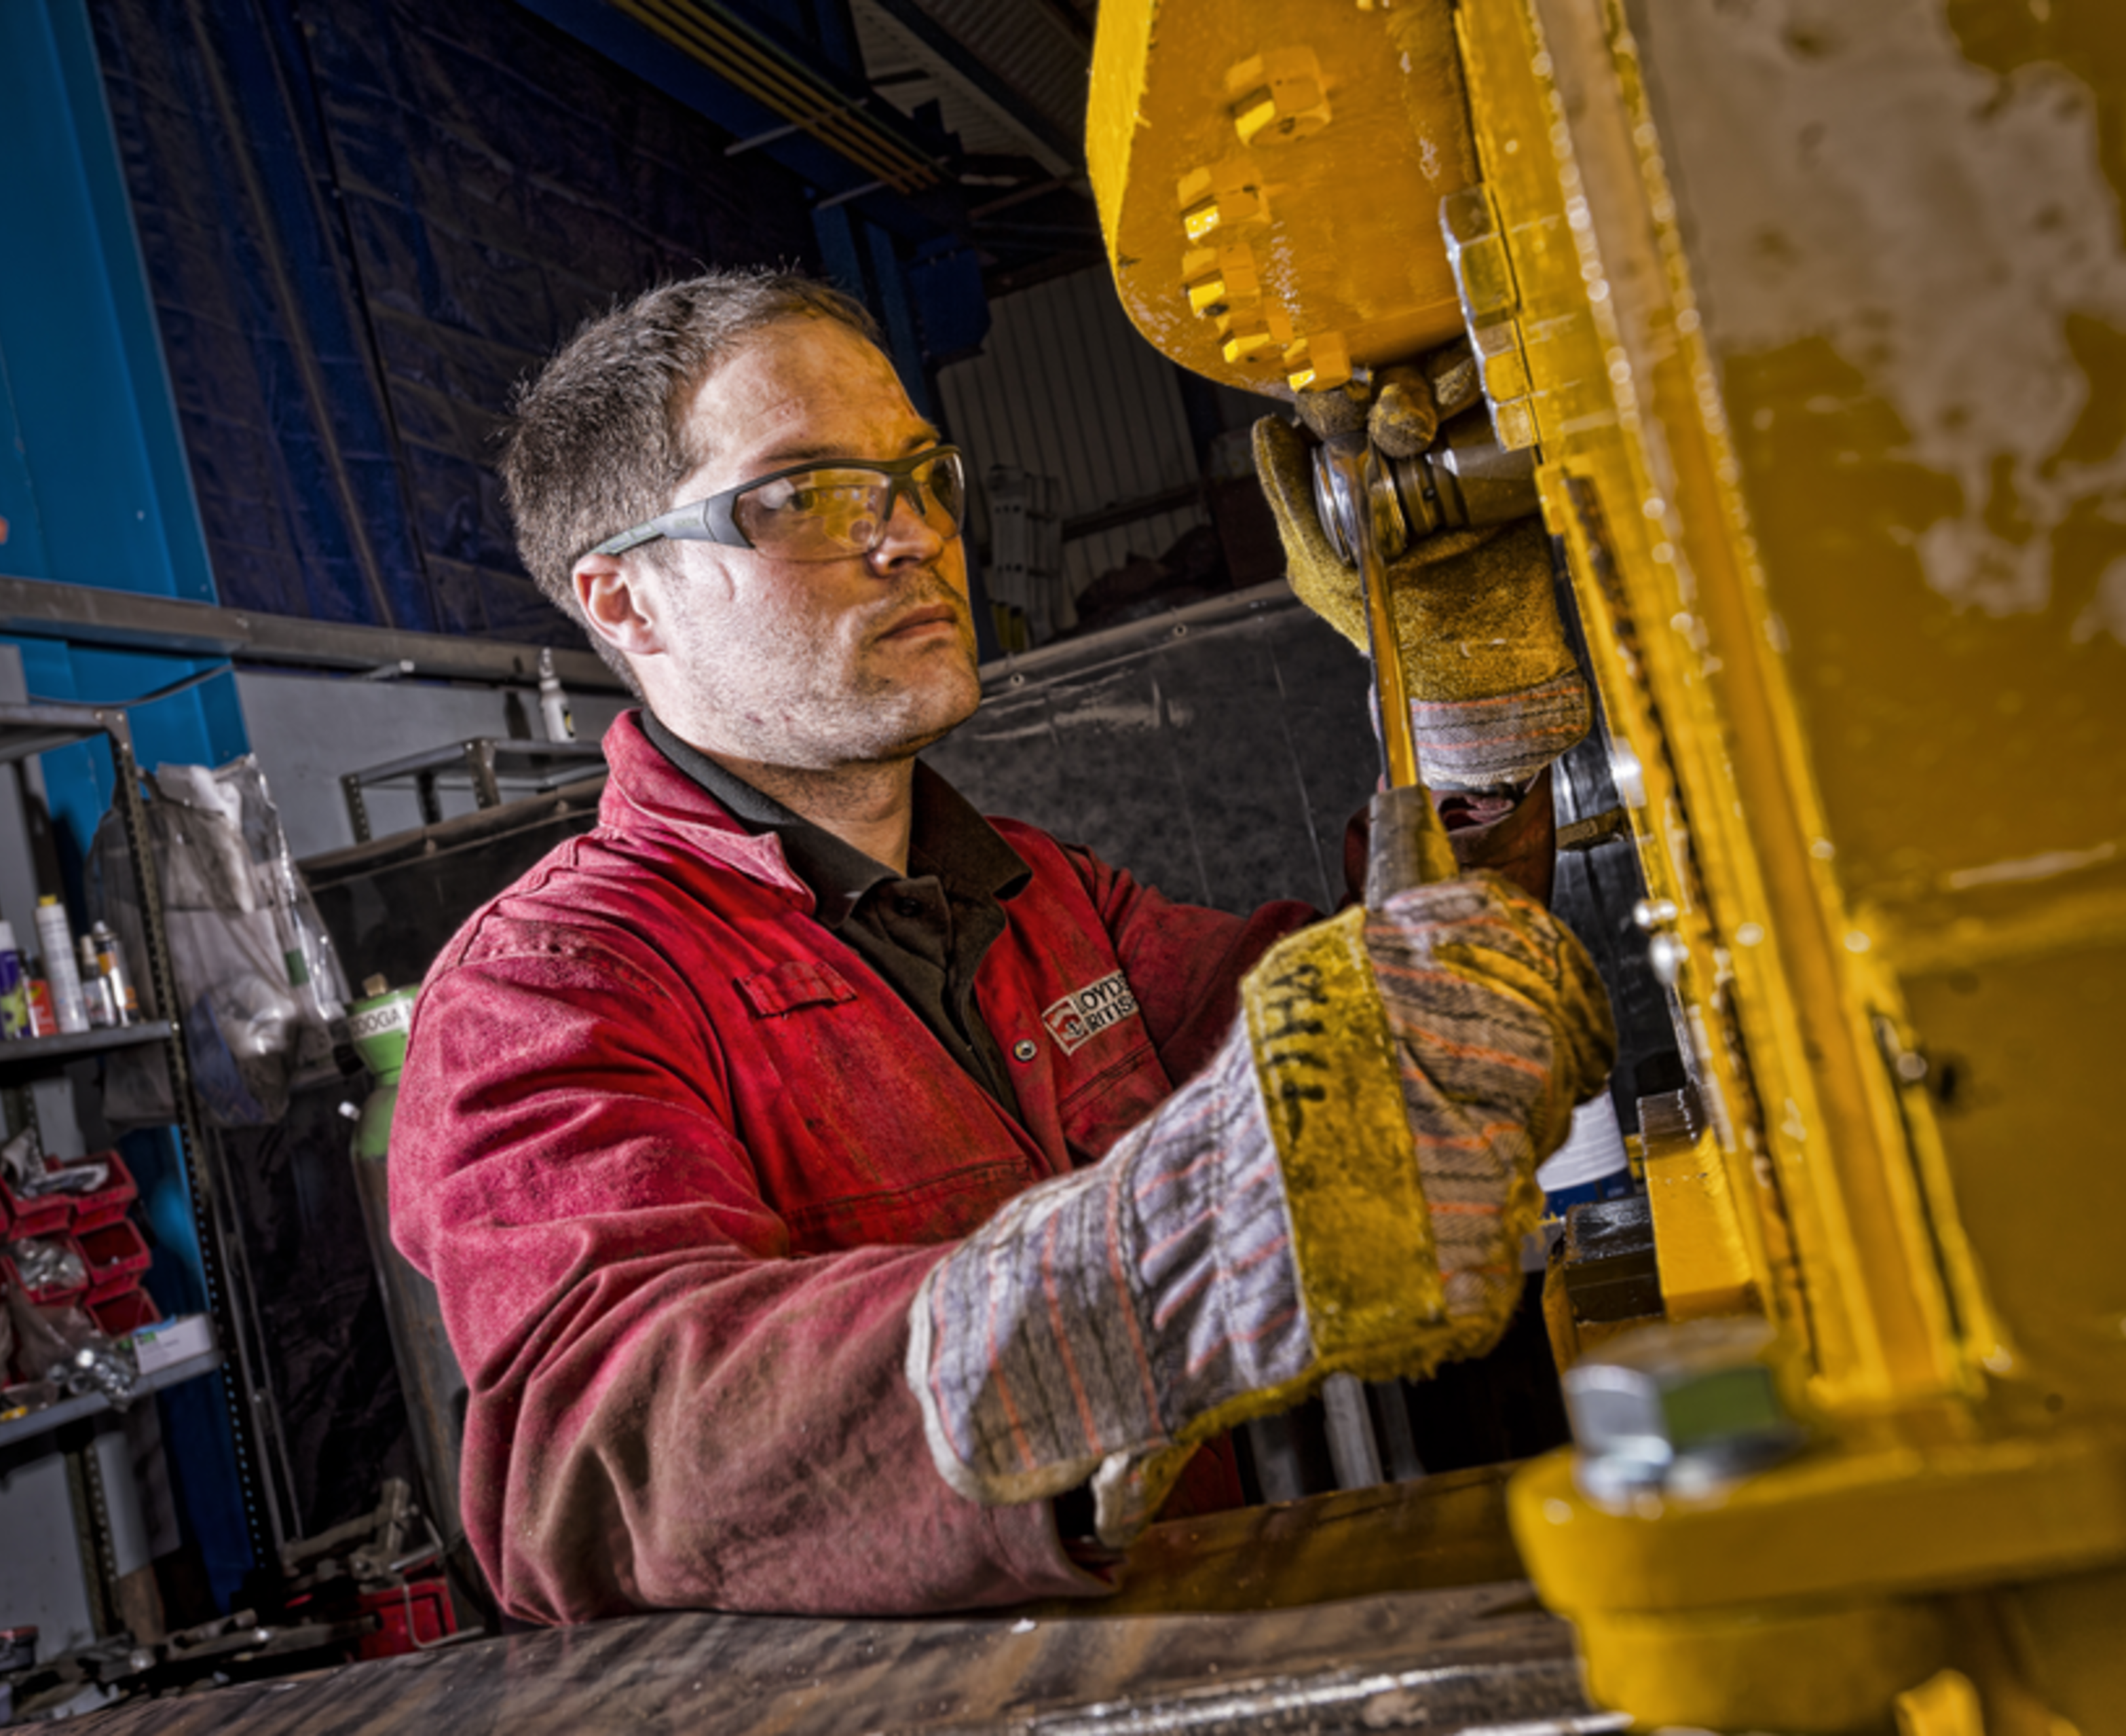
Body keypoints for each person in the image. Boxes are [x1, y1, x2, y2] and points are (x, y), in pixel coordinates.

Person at [390, 270, 1613, 1625]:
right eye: (803, 494)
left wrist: (1463, 705)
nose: (911, 534)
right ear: (625, 603)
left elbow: (1362, 1026)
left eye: (919, 475)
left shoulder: (1037, 894)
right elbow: (617, 1454)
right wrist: (1143, 1278)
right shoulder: (553, 985)